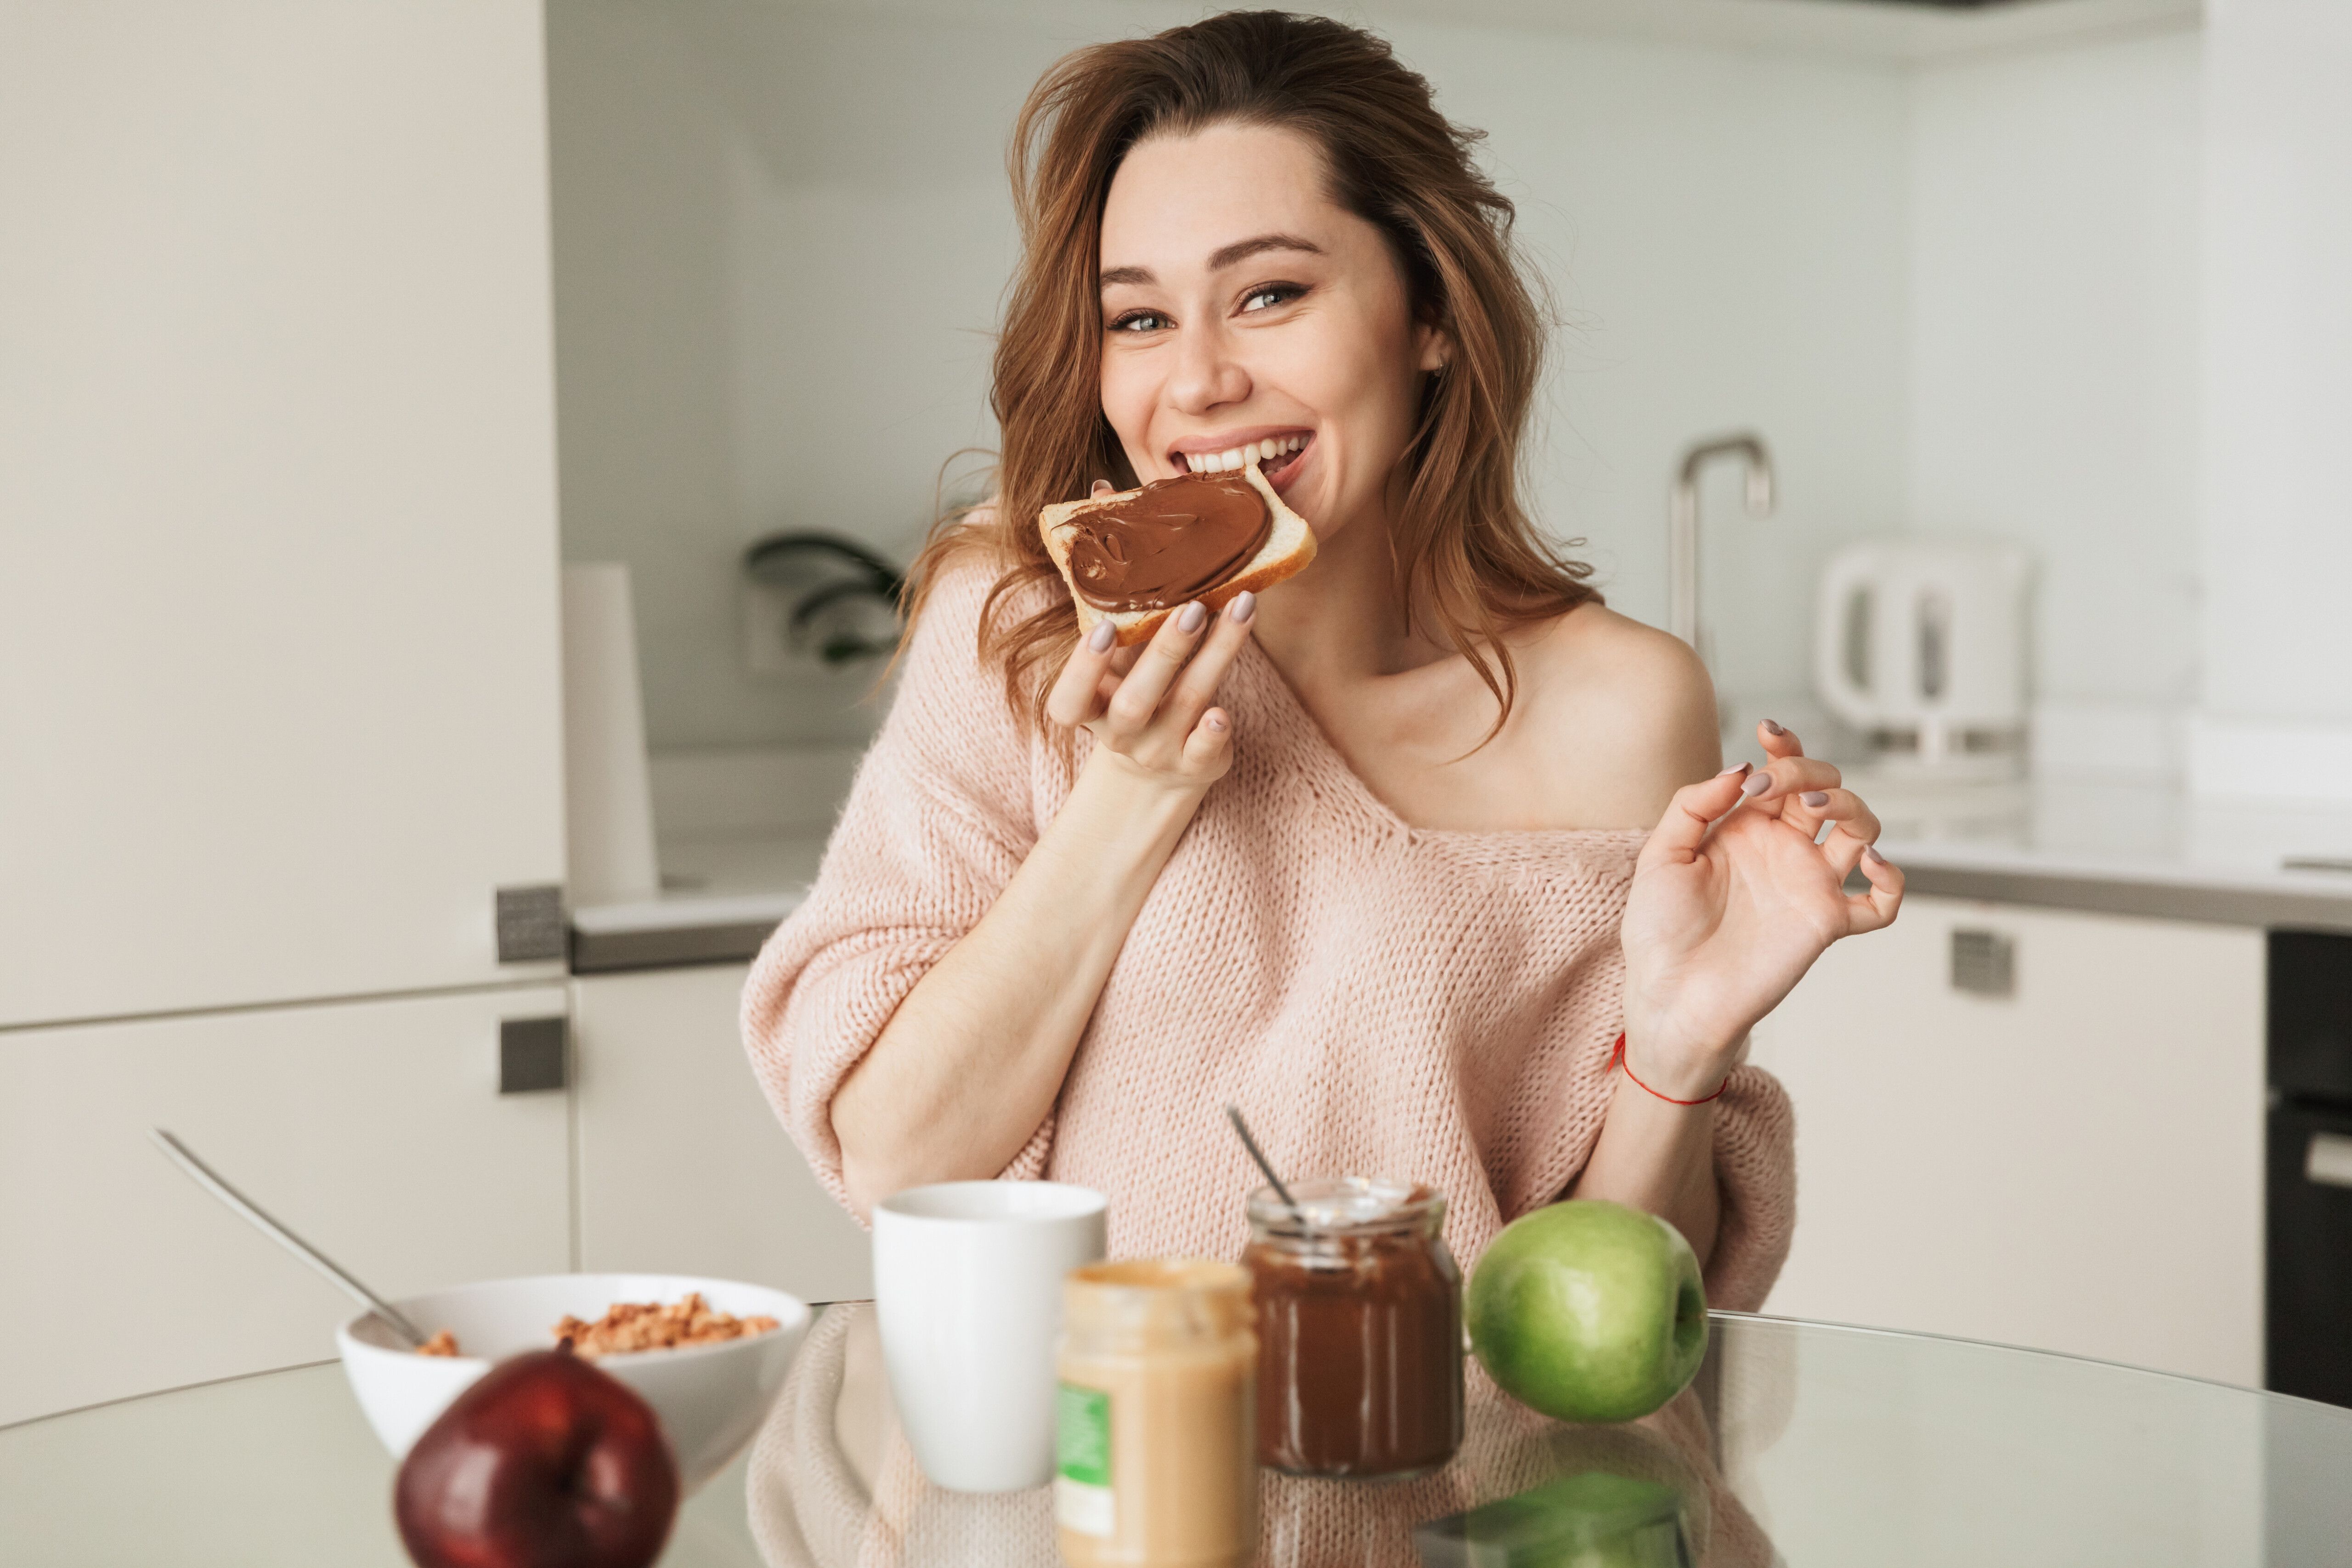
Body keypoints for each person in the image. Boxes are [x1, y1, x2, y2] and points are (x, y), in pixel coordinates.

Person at [742, 9, 1901, 1309]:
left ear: (1431, 316)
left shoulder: (1623, 707)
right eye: (1138, 321)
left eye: (1270, 295)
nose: (1198, 382)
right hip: (1103, 1477)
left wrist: (1682, 1049)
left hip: (1465, 1493)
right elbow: (900, 1159)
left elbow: (1603, 1322)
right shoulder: (1020, 622)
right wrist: (1130, 797)